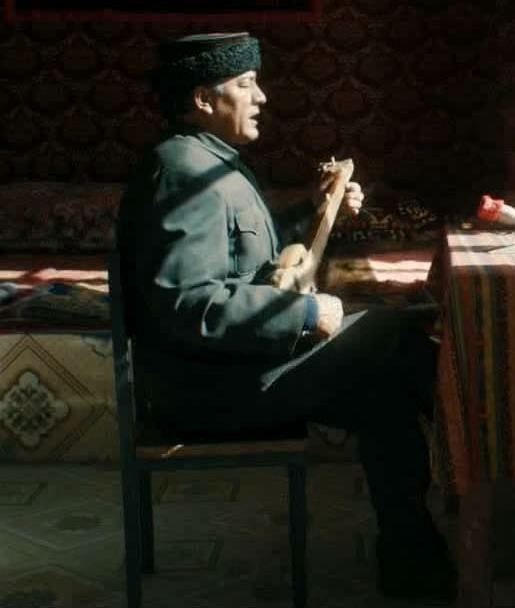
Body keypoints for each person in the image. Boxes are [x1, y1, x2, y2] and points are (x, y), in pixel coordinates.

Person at [116, 32, 454, 599]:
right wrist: (304, 313)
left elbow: (252, 264)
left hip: (235, 369)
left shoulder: (209, 162)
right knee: (394, 336)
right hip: (208, 391)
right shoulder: (180, 173)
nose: (262, 97)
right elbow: (187, 302)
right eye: (246, 85)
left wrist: (317, 211)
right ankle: (485, 464)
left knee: (385, 395)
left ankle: (411, 555)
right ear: (203, 99)